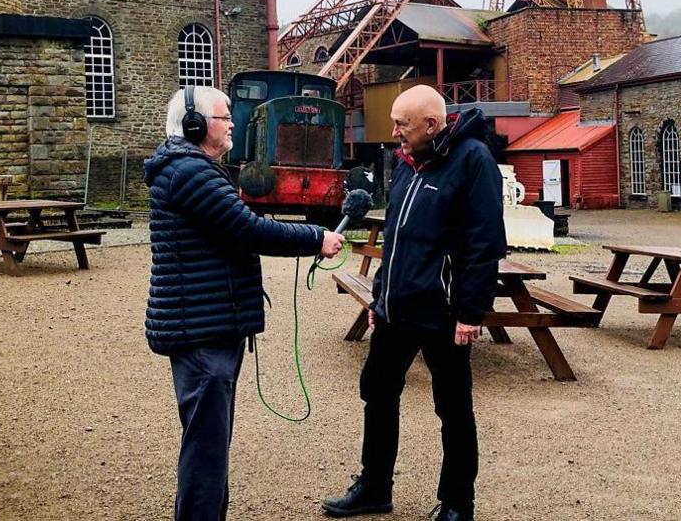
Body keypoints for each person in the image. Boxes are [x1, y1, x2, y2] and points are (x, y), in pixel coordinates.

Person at [143, 86, 345, 521]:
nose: (232, 123)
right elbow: (248, 229)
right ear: (195, 126)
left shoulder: (193, 168)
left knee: (210, 445)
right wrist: (317, 238)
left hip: (206, 325)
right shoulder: (189, 173)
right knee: (206, 451)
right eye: (223, 116)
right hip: (201, 333)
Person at [322, 85, 506, 521]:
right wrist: (380, 297)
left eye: (402, 124)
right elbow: (397, 240)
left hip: (443, 313)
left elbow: (485, 244)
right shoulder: (407, 163)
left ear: (431, 124)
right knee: (378, 392)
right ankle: (374, 487)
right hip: (398, 309)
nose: (394, 131)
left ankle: (458, 505)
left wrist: (470, 313)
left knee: (453, 408)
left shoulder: (474, 161)